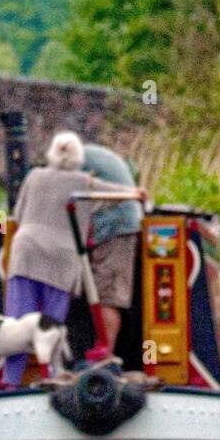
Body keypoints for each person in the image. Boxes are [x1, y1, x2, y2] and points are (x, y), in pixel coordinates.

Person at [2, 131, 142, 386]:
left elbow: (18, 215)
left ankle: (12, 379)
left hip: (25, 253)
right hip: (61, 258)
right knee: (54, 322)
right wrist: (140, 194)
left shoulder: (34, 176)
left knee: (17, 322)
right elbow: (123, 194)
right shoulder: (82, 180)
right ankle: (56, 373)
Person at [83, 143, 144, 353]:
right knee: (105, 291)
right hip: (116, 225)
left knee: (107, 293)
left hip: (113, 228)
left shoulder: (66, 167)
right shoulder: (91, 156)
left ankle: (104, 352)